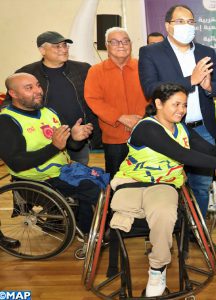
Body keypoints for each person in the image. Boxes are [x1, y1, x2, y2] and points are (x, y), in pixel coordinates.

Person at [109, 83, 216, 297]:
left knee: (163, 214)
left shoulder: (182, 128)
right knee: (124, 209)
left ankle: (157, 269)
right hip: (130, 181)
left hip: (163, 184)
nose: (182, 110)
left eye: (185, 105)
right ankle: (131, 221)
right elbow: (182, 154)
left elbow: (210, 149)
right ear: (158, 104)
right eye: (176, 104)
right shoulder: (146, 127)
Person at [138, 4, 216, 217]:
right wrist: (192, 80)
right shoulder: (151, 52)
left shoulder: (206, 52)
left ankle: (197, 230)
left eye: (190, 22)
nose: (186, 26)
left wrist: (209, 87)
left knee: (201, 184)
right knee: (167, 185)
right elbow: (151, 89)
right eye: (180, 22)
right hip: (169, 130)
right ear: (167, 26)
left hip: (202, 129)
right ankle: (169, 228)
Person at [0, 73, 100, 234]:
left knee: (103, 179)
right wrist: (54, 147)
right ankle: (87, 231)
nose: (38, 90)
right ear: (13, 94)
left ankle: (89, 225)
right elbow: (16, 163)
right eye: (29, 88)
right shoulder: (6, 121)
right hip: (37, 180)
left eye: (38, 85)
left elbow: (67, 147)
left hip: (62, 172)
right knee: (92, 188)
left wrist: (75, 138)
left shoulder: (49, 112)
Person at [13, 31, 97, 165]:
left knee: (78, 178)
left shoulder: (83, 69)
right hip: (44, 140)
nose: (63, 49)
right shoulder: (26, 73)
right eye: (57, 46)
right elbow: (11, 105)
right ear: (42, 50)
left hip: (78, 137)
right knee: (48, 180)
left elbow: (95, 98)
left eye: (65, 45)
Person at [85, 27, 147, 178]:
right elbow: (93, 99)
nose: (121, 45)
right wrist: (120, 117)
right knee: (117, 182)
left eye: (125, 41)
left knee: (146, 179)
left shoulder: (143, 67)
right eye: (115, 41)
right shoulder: (96, 71)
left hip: (145, 134)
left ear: (131, 44)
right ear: (107, 46)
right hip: (114, 139)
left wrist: (140, 120)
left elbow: (154, 95)